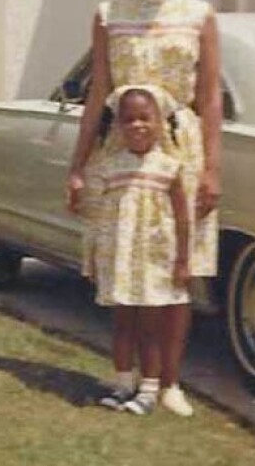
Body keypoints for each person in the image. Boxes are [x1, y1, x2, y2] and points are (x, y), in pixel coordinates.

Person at [66, 0, 222, 417]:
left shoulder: (200, 15)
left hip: (182, 151)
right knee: (129, 266)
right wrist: (77, 163)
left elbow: (210, 98)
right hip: (121, 157)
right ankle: (131, 377)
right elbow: (97, 95)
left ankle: (172, 383)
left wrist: (213, 169)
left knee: (178, 270)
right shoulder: (110, 14)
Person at [89, 85, 191, 415]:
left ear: (159, 122)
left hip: (153, 260)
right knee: (122, 323)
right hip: (120, 259)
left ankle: (149, 389)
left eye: (144, 118)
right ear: (118, 125)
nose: (136, 126)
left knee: (150, 327)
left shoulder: (168, 167)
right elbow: (100, 215)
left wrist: (182, 260)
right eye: (128, 119)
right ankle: (122, 383)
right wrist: (95, 258)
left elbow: (181, 217)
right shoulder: (110, 166)